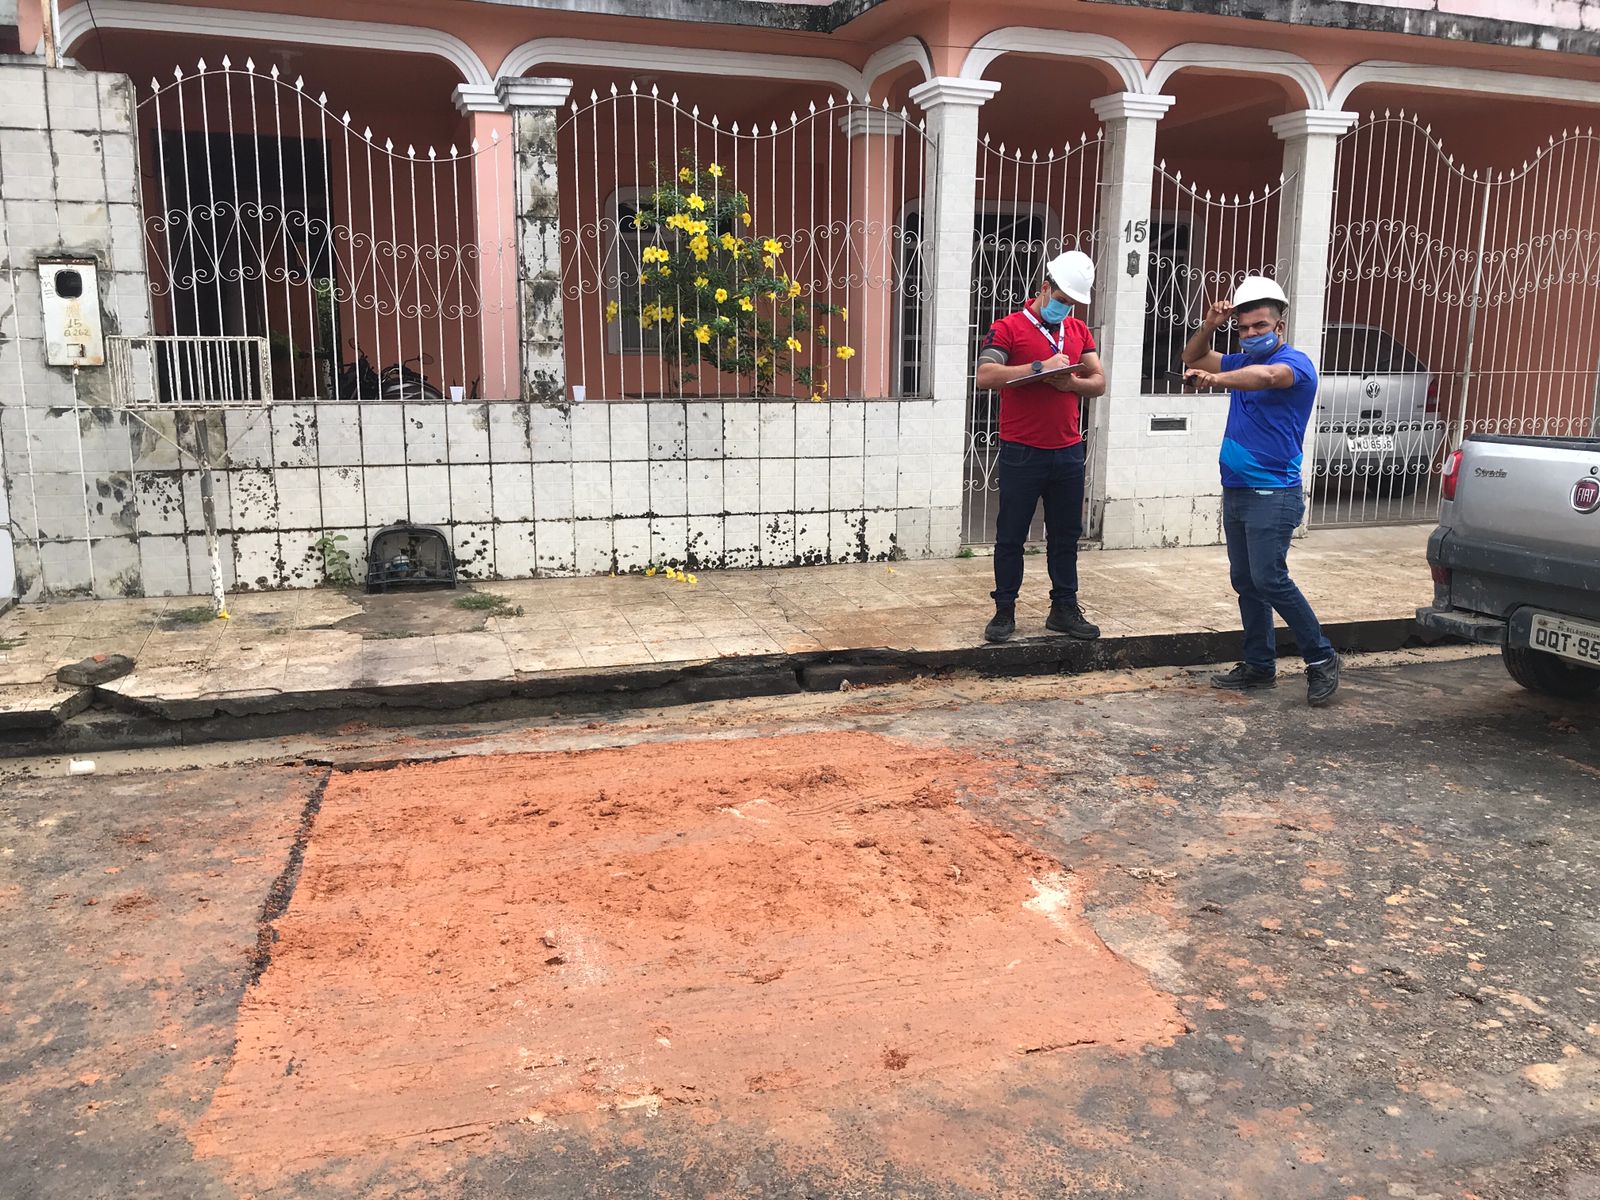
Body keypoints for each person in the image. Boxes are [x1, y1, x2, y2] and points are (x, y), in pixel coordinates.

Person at [1180, 275, 1341, 706]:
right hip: (1237, 490)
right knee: (1246, 581)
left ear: (1279, 327)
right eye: (1245, 327)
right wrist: (1211, 324)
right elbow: (1193, 354)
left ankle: (1322, 657)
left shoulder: (1296, 363)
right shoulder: (1236, 362)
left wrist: (1216, 381)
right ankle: (1258, 666)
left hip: (1275, 492)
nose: (1251, 334)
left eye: (1260, 327)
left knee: (1270, 578)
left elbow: (1268, 377)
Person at [973, 251, 1107, 643]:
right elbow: (986, 374)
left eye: (1072, 303)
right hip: (1022, 449)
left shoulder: (1079, 330)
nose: (1065, 308)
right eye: (1061, 299)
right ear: (1044, 289)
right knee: (1011, 534)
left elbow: (1098, 380)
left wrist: (1073, 384)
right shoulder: (1008, 328)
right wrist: (1037, 368)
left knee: (1065, 535)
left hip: (1068, 450)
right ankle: (1004, 610)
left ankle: (1064, 608)